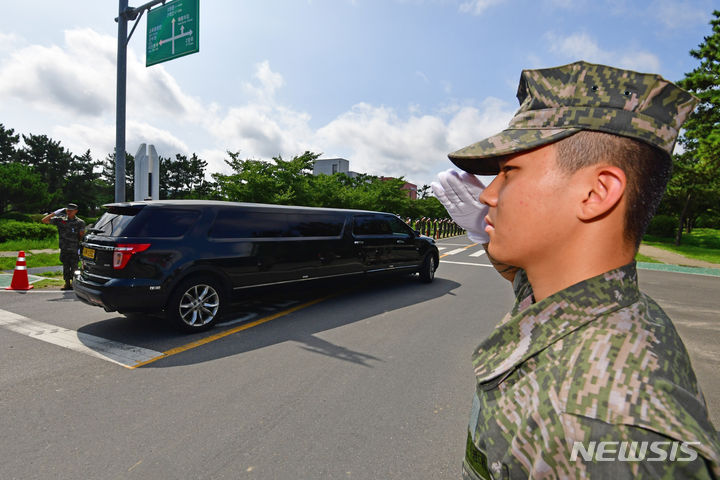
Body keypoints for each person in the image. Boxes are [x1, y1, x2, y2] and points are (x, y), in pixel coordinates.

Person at [432, 61, 720, 479]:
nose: (489, 194)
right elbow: (527, 285)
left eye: (509, 172)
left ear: (597, 192)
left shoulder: (607, 425)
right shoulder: (613, 306)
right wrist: (487, 235)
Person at [42, 203, 86, 290]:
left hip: (74, 248)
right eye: (67, 210)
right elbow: (44, 220)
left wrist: (79, 245)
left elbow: (81, 235)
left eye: (71, 210)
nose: (69, 212)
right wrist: (55, 213)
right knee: (65, 266)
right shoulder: (61, 220)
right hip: (64, 247)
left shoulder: (80, 222)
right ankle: (67, 283)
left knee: (75, 266)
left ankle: (74, 283)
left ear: (76, 211)